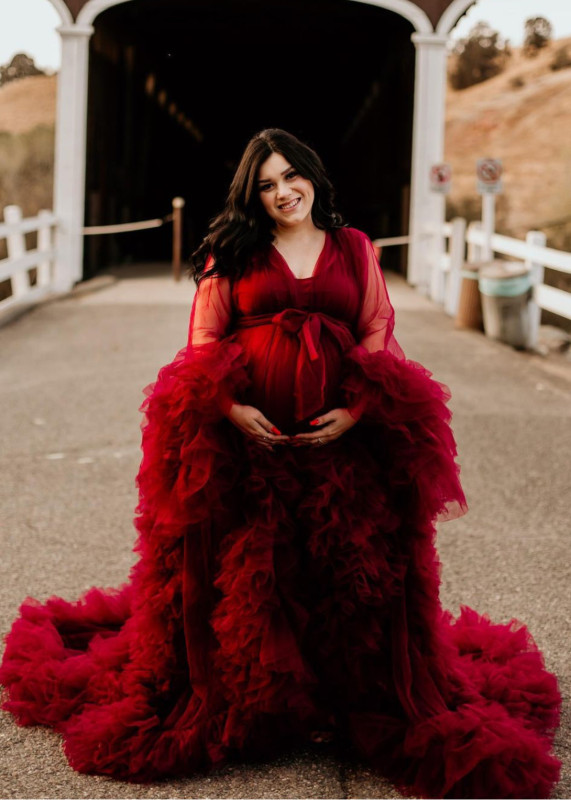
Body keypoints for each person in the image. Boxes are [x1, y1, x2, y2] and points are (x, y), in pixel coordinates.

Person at [0, 128, 561, 798]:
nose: (281, 192)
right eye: (265, 184)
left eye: (290, 177)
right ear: (251, 194)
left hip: (340, 440)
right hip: (248, 446)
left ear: (314, 178)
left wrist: (355, 410)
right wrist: (233, 410)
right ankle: (261, 707)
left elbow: (376, 328)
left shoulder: (352, 247)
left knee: (342, 573)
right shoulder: (230, 250)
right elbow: (203, 339)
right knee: (255, 575)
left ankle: (341, 698)